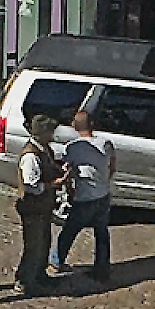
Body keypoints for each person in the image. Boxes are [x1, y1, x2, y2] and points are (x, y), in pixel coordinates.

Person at [48, 110, 115, 283]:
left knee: (69, 231)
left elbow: (68, 172)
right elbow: (112, 166)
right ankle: (102, 270)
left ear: (74, 126)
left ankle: (56, 261)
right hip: (103, 194)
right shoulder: (106, 143)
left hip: (84, 196)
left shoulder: (72, 148)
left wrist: (70, 191)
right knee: (101, 234)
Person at [14, 114, 69, 297]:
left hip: (43, 206)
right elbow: (32, 186)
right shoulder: (31, 156)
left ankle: (39, 275)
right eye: (51, 131)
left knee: (44, 242)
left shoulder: (44, 149)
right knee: (34, 246)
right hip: (33, 207)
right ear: (42, 133)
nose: (54, 134)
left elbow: (49, 166)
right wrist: (55, 183)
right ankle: (25, 281)